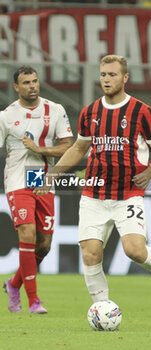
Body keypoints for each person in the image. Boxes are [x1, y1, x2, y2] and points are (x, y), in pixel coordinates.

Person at [35, 55, 151, 303]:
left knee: (134, 251)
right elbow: (79, 149)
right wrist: (51, 176)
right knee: (90, 253)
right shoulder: (90, 112)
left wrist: (148, 173)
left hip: (127, 194)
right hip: (94, 194)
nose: (106, 79)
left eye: (112, 74)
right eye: (103, 74)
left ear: (125, 78)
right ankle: (103, 308)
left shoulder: (142, 111)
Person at [0, 66, 73, 314]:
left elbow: (68, 147)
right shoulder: (6, 116)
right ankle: (33, 301)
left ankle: (13, 284)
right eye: (26, 82)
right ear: (16, 87)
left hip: (43, 182)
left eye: (35, 81)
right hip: (17, 181)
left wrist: (40, 150)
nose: (32, 85)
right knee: (28, 234)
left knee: (44, 245)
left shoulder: (55, 110)